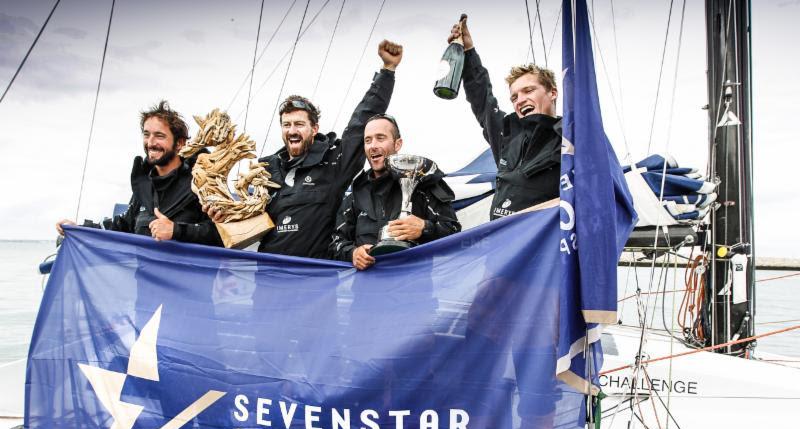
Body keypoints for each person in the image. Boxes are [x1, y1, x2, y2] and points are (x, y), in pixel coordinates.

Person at [208, 40, 403, 259]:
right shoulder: (265, 168)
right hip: (269, 279)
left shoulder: (335, 162)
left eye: (299, 124)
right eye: (286, 124)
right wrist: (224, 217)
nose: (292, 130)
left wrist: (387, 71)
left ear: (314, 129)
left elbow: (361, 122)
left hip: (317, 279)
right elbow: (247, 226)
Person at [57, 100, 222, 246]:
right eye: (146, 134)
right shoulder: (144, 186)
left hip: (186, 280)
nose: (150, 143)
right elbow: (121, 226)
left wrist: (176, 230)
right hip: (142, 279)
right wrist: (78, 229)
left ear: (179, 143)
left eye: (159, 136)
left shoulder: (202, 184)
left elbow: (222, 235)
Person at [448, 16, 561, 220]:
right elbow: (483, 102)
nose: (520, 100)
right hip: (502, 242)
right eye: (515, 97)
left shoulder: (571, 137)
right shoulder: (507, 133)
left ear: (552, 93)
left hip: (545, 243)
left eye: (528, 90)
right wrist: (468, 52)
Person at [329, 114, 461, 269]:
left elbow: (455, 235)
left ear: (397, 144)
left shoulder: (425, 185)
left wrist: (424, 228)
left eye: (380, 138)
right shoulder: (355, 194)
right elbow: (335, 242)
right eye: (368, 140)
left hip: (415, 288)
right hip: (367, 289)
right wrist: (352, 253)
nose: (373, 145)